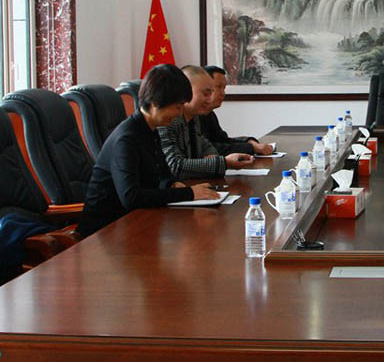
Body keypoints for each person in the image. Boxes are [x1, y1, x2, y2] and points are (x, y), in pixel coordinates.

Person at [76, 64, 219, 237]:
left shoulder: (150, 130)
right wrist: (188, 193)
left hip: (135, 224)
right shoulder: (127, 138)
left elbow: (163, 175)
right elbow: (131, 197)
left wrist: (172, 184)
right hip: (103, 233)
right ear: (155, 103)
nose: (180, 113)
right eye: (178, 106)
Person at [158, 65, 254, 180]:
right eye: (205, 94)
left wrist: (212, 159)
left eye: (211, 93)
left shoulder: (194, 118)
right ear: (186, 90)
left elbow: (206, 146)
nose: (209, 100)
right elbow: (175, 166)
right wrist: (224, 163)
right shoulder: (168, 120)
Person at [199, 65, 273, 156]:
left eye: (224, 88)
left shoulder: (210, 114)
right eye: (218, 87)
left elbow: (224, 140)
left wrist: (249, 141)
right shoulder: (194, 116)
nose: (223, 93)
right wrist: (252, 147)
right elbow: (210, 149)